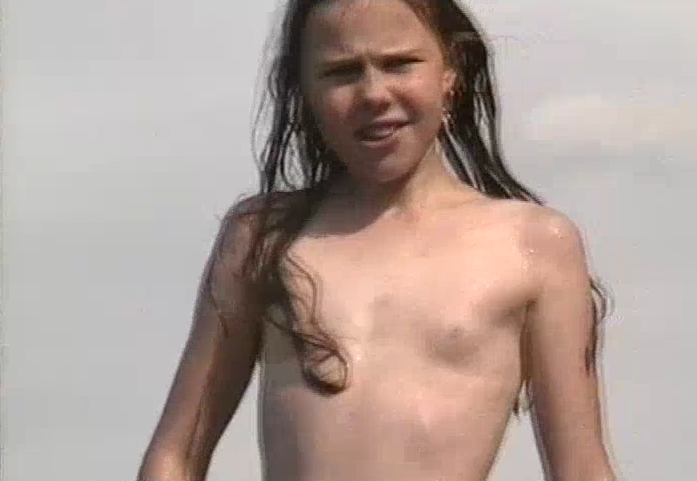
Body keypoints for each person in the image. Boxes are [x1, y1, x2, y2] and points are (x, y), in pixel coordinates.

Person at [138, 0, 618, 480]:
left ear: (450, 70)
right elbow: (175, 455)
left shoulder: (532, 246)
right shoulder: (264, 238)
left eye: (400, 64)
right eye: (342, 72)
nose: (373, 93)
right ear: (304, 89)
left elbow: (581, 469)